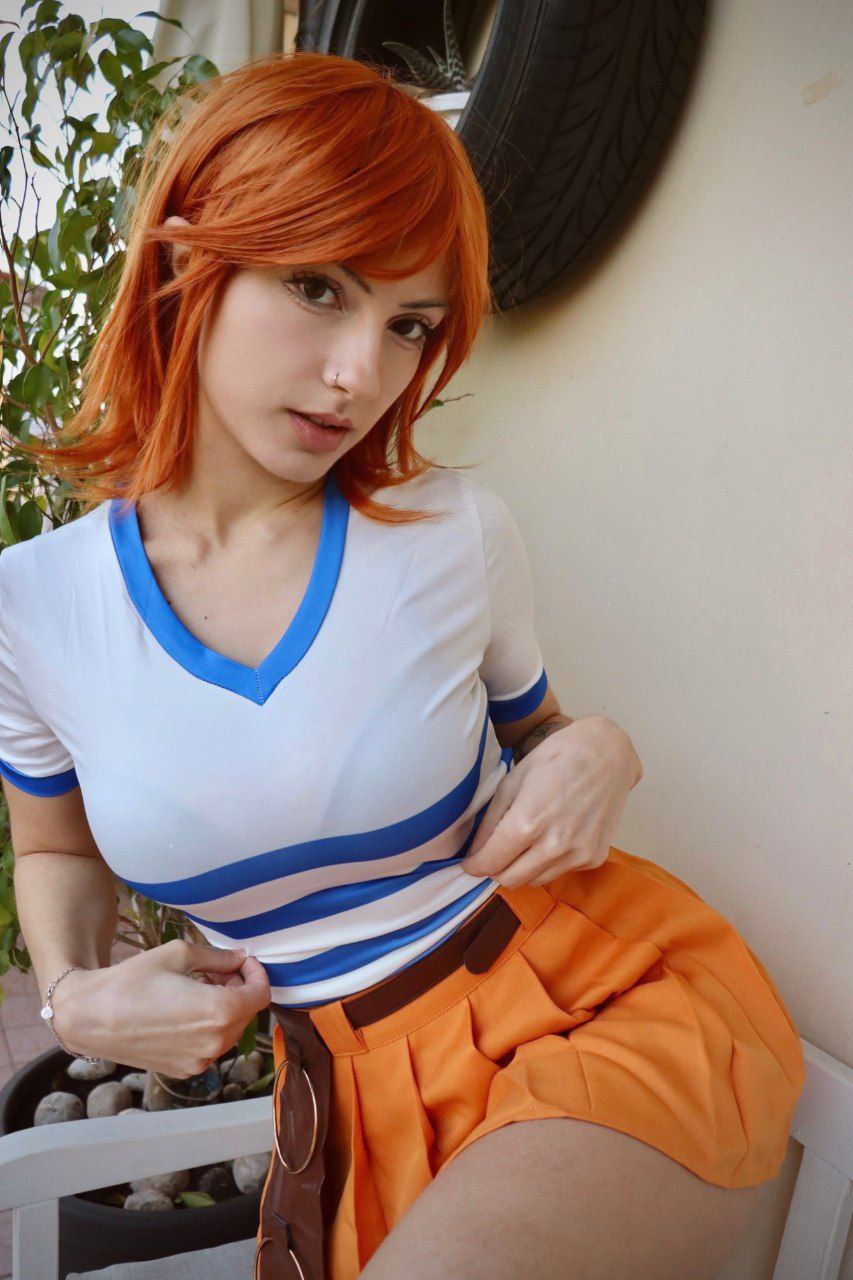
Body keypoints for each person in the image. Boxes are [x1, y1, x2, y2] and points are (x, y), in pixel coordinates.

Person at [0, 51, 804, 1280]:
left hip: (584, 1002)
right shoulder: (35, 607)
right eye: (318, 287)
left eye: (407, 325)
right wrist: (71, 992)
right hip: (346, 1100)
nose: (359, 376)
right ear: (184, 260)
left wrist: (600, 748)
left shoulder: (450, 534)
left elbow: (544, 736)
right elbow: (55, 848)